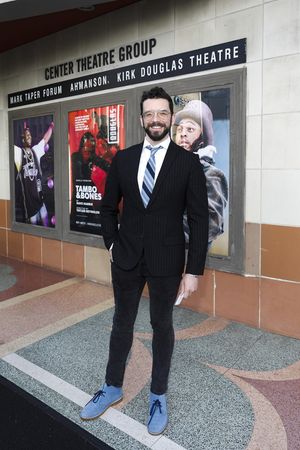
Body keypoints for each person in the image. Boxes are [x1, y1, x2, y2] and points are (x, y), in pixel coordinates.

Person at [79, 87, 209, 435]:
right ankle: (112, 386)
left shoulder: (188, 163)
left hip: (168, 261)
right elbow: (108, 208)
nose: (156, 119)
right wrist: (111, 245)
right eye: (149, 114)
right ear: (141, 119)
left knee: (161, 327)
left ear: (170, 117)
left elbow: (199, 220)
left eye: (162, 113)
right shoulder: (124, 158)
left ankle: (158, 396)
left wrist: (193, 270)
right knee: (121, 323)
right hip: (126, 258)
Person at [174, 100, 228, 245]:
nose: (182, 134)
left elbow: (209, 225)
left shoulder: (212, 175)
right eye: (179, 129)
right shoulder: (172, 170)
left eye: (190, 130)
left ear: (202, 138)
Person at [14, 122, 54, 226]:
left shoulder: (35, 150)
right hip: (29, 204)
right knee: (33, 230)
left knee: (46, 225)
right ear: (22, 139)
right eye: (27, 135)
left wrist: (51, 127)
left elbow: (45, 140)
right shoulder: (18, 153)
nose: (30, 137)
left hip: (40, 200)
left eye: (30, 135)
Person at [70, 131, 110, 233]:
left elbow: (107, 166)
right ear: (82, 146)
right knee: (76, 228)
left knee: (91, 227)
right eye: (85, 148)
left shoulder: (95, 159)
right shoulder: (75, 157)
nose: (87, 151)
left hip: (90, 200)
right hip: (78, 199)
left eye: (90, 149)